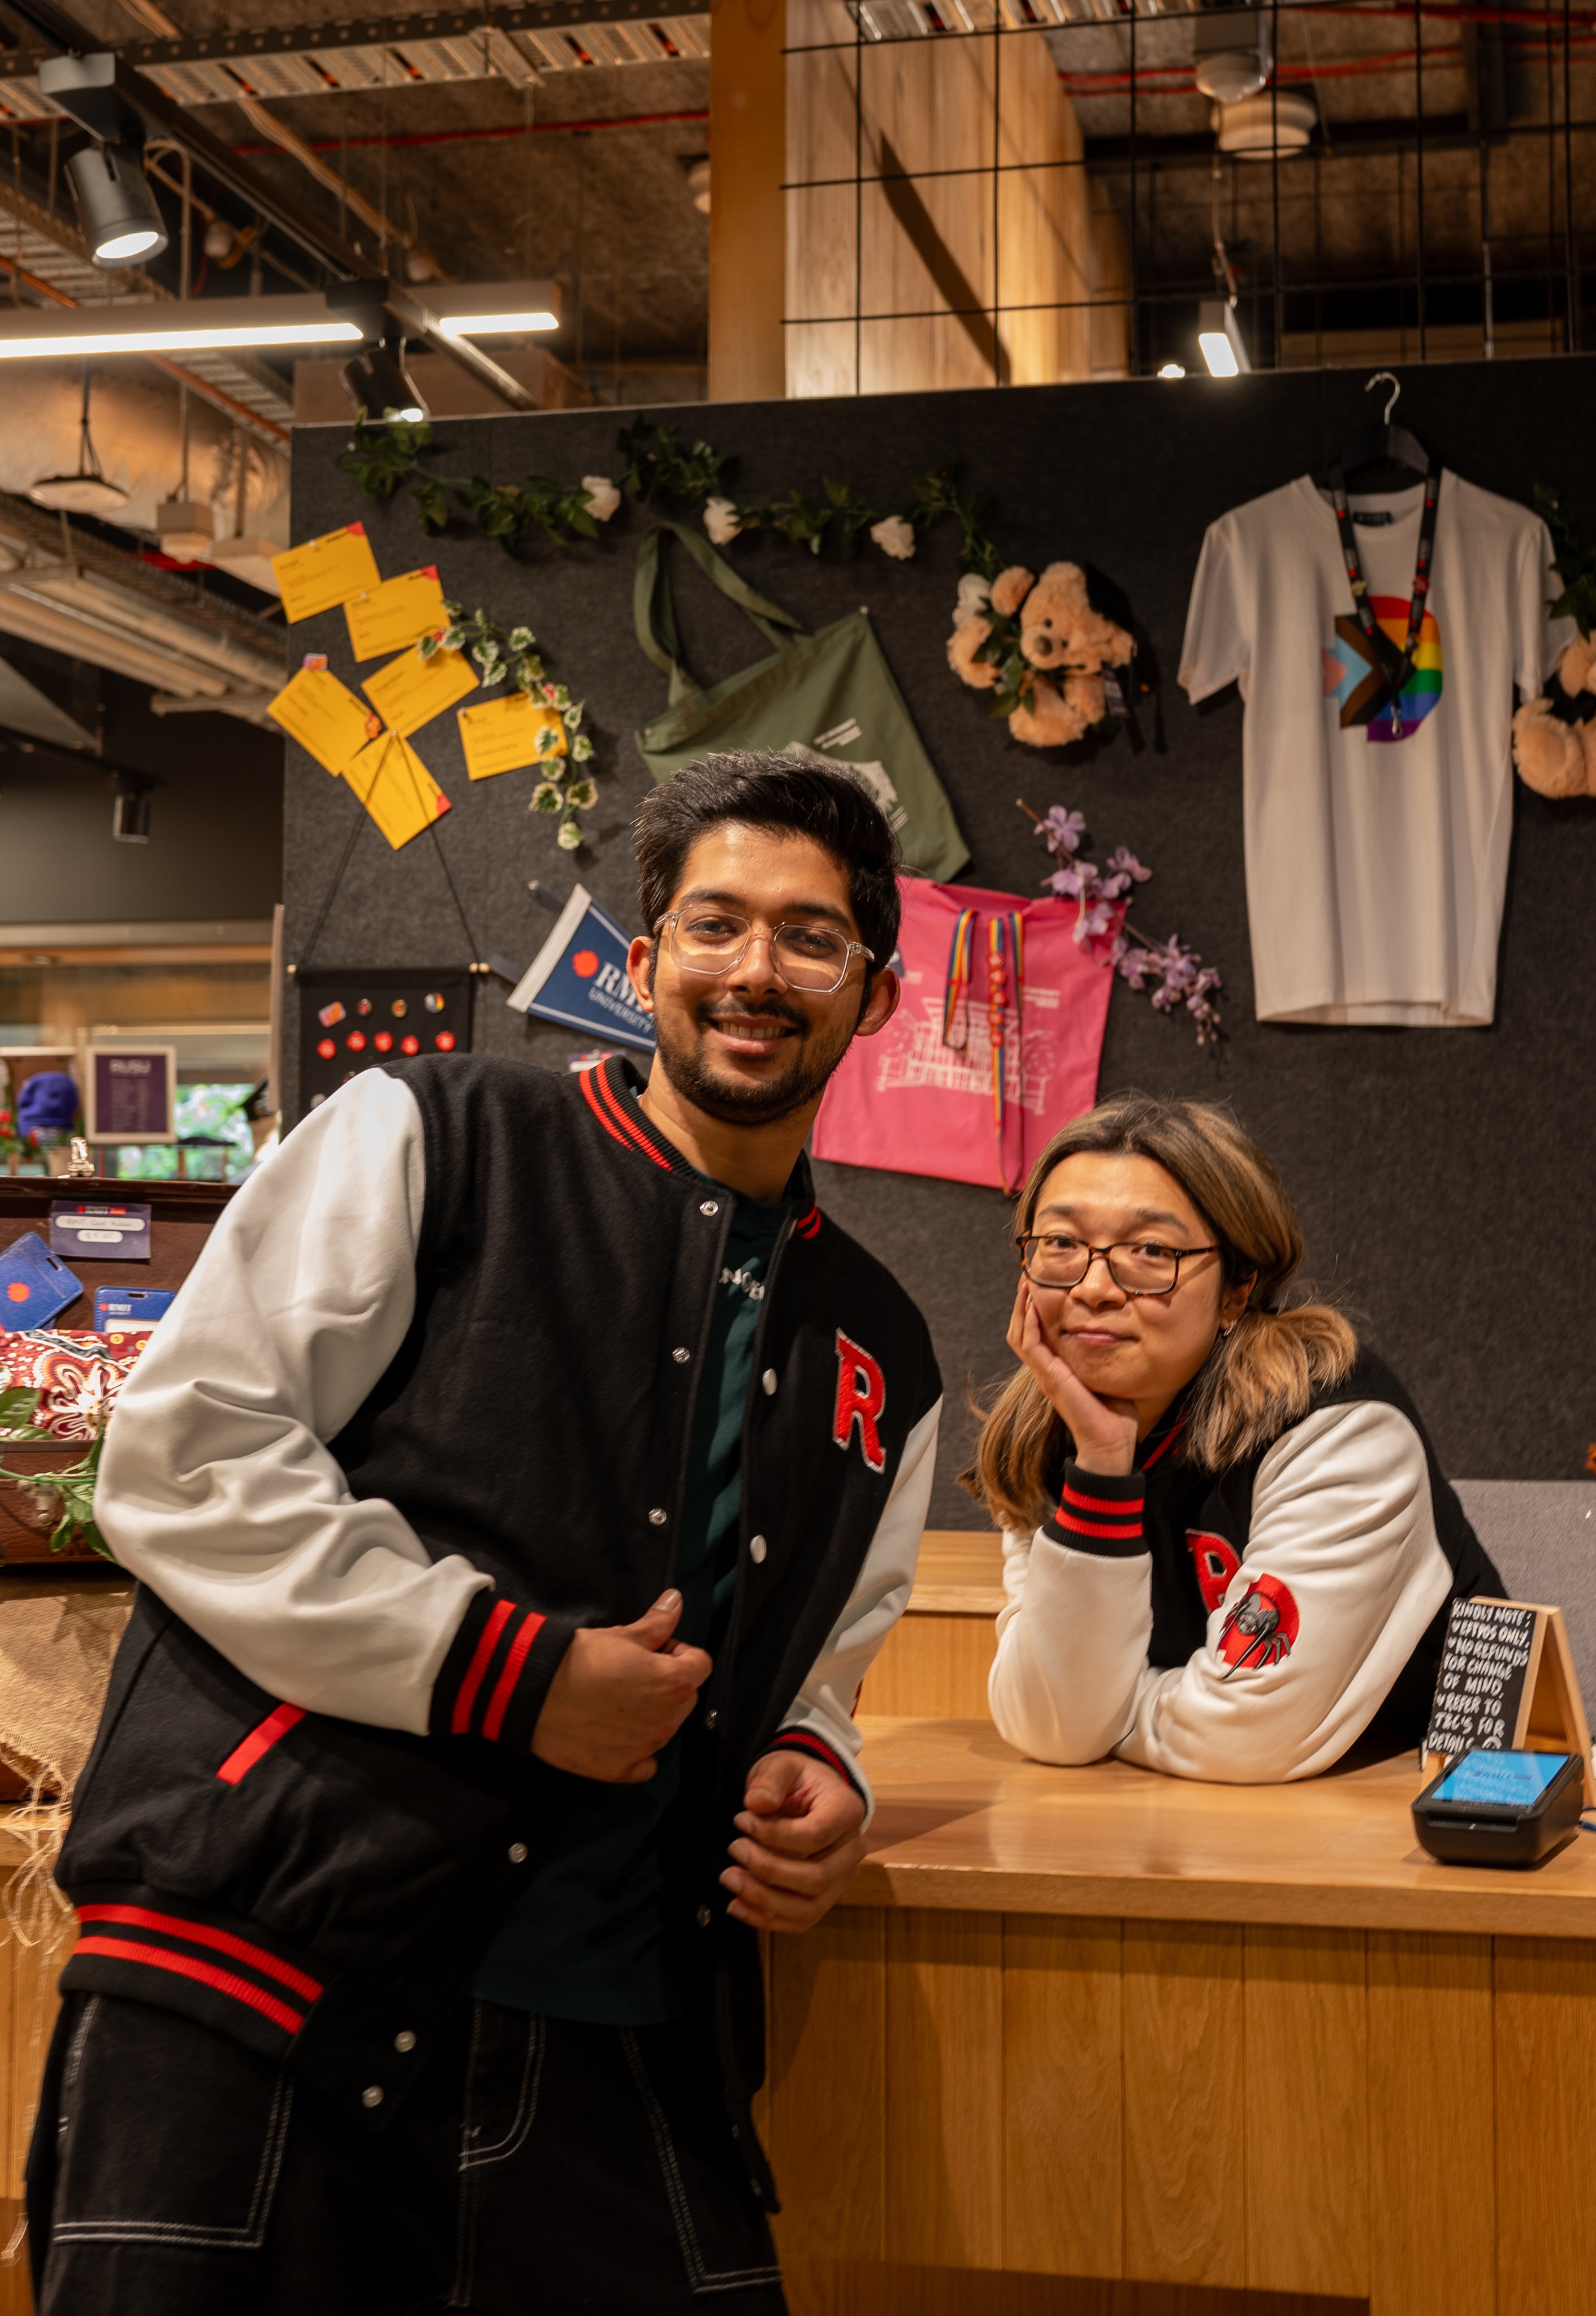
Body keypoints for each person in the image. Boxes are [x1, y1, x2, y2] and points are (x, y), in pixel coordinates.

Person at [29, 751, 941, 2316]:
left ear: (874, 993)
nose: (758, 969)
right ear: (643, 962)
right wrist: (503, 1671)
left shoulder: (885, 1351)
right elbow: (182, 1456)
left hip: (626, 2048)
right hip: (264, 1997)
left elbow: (820, 1656)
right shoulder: (425, 1135)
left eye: (812, 937)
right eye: (715, 924)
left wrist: (820, 1766)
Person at [971, 1092, 1499, 1781]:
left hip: (1398, 1814)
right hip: (1168, 1817)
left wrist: (1111, 1714)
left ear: (1236, 1289)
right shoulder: (1048, 1429)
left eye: (1150, 1250)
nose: (1095, 1286)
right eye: (1062, 1244)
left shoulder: (1339, 1428)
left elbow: (1242, 1733)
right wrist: (1101, 1465)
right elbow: (1054, 1728)